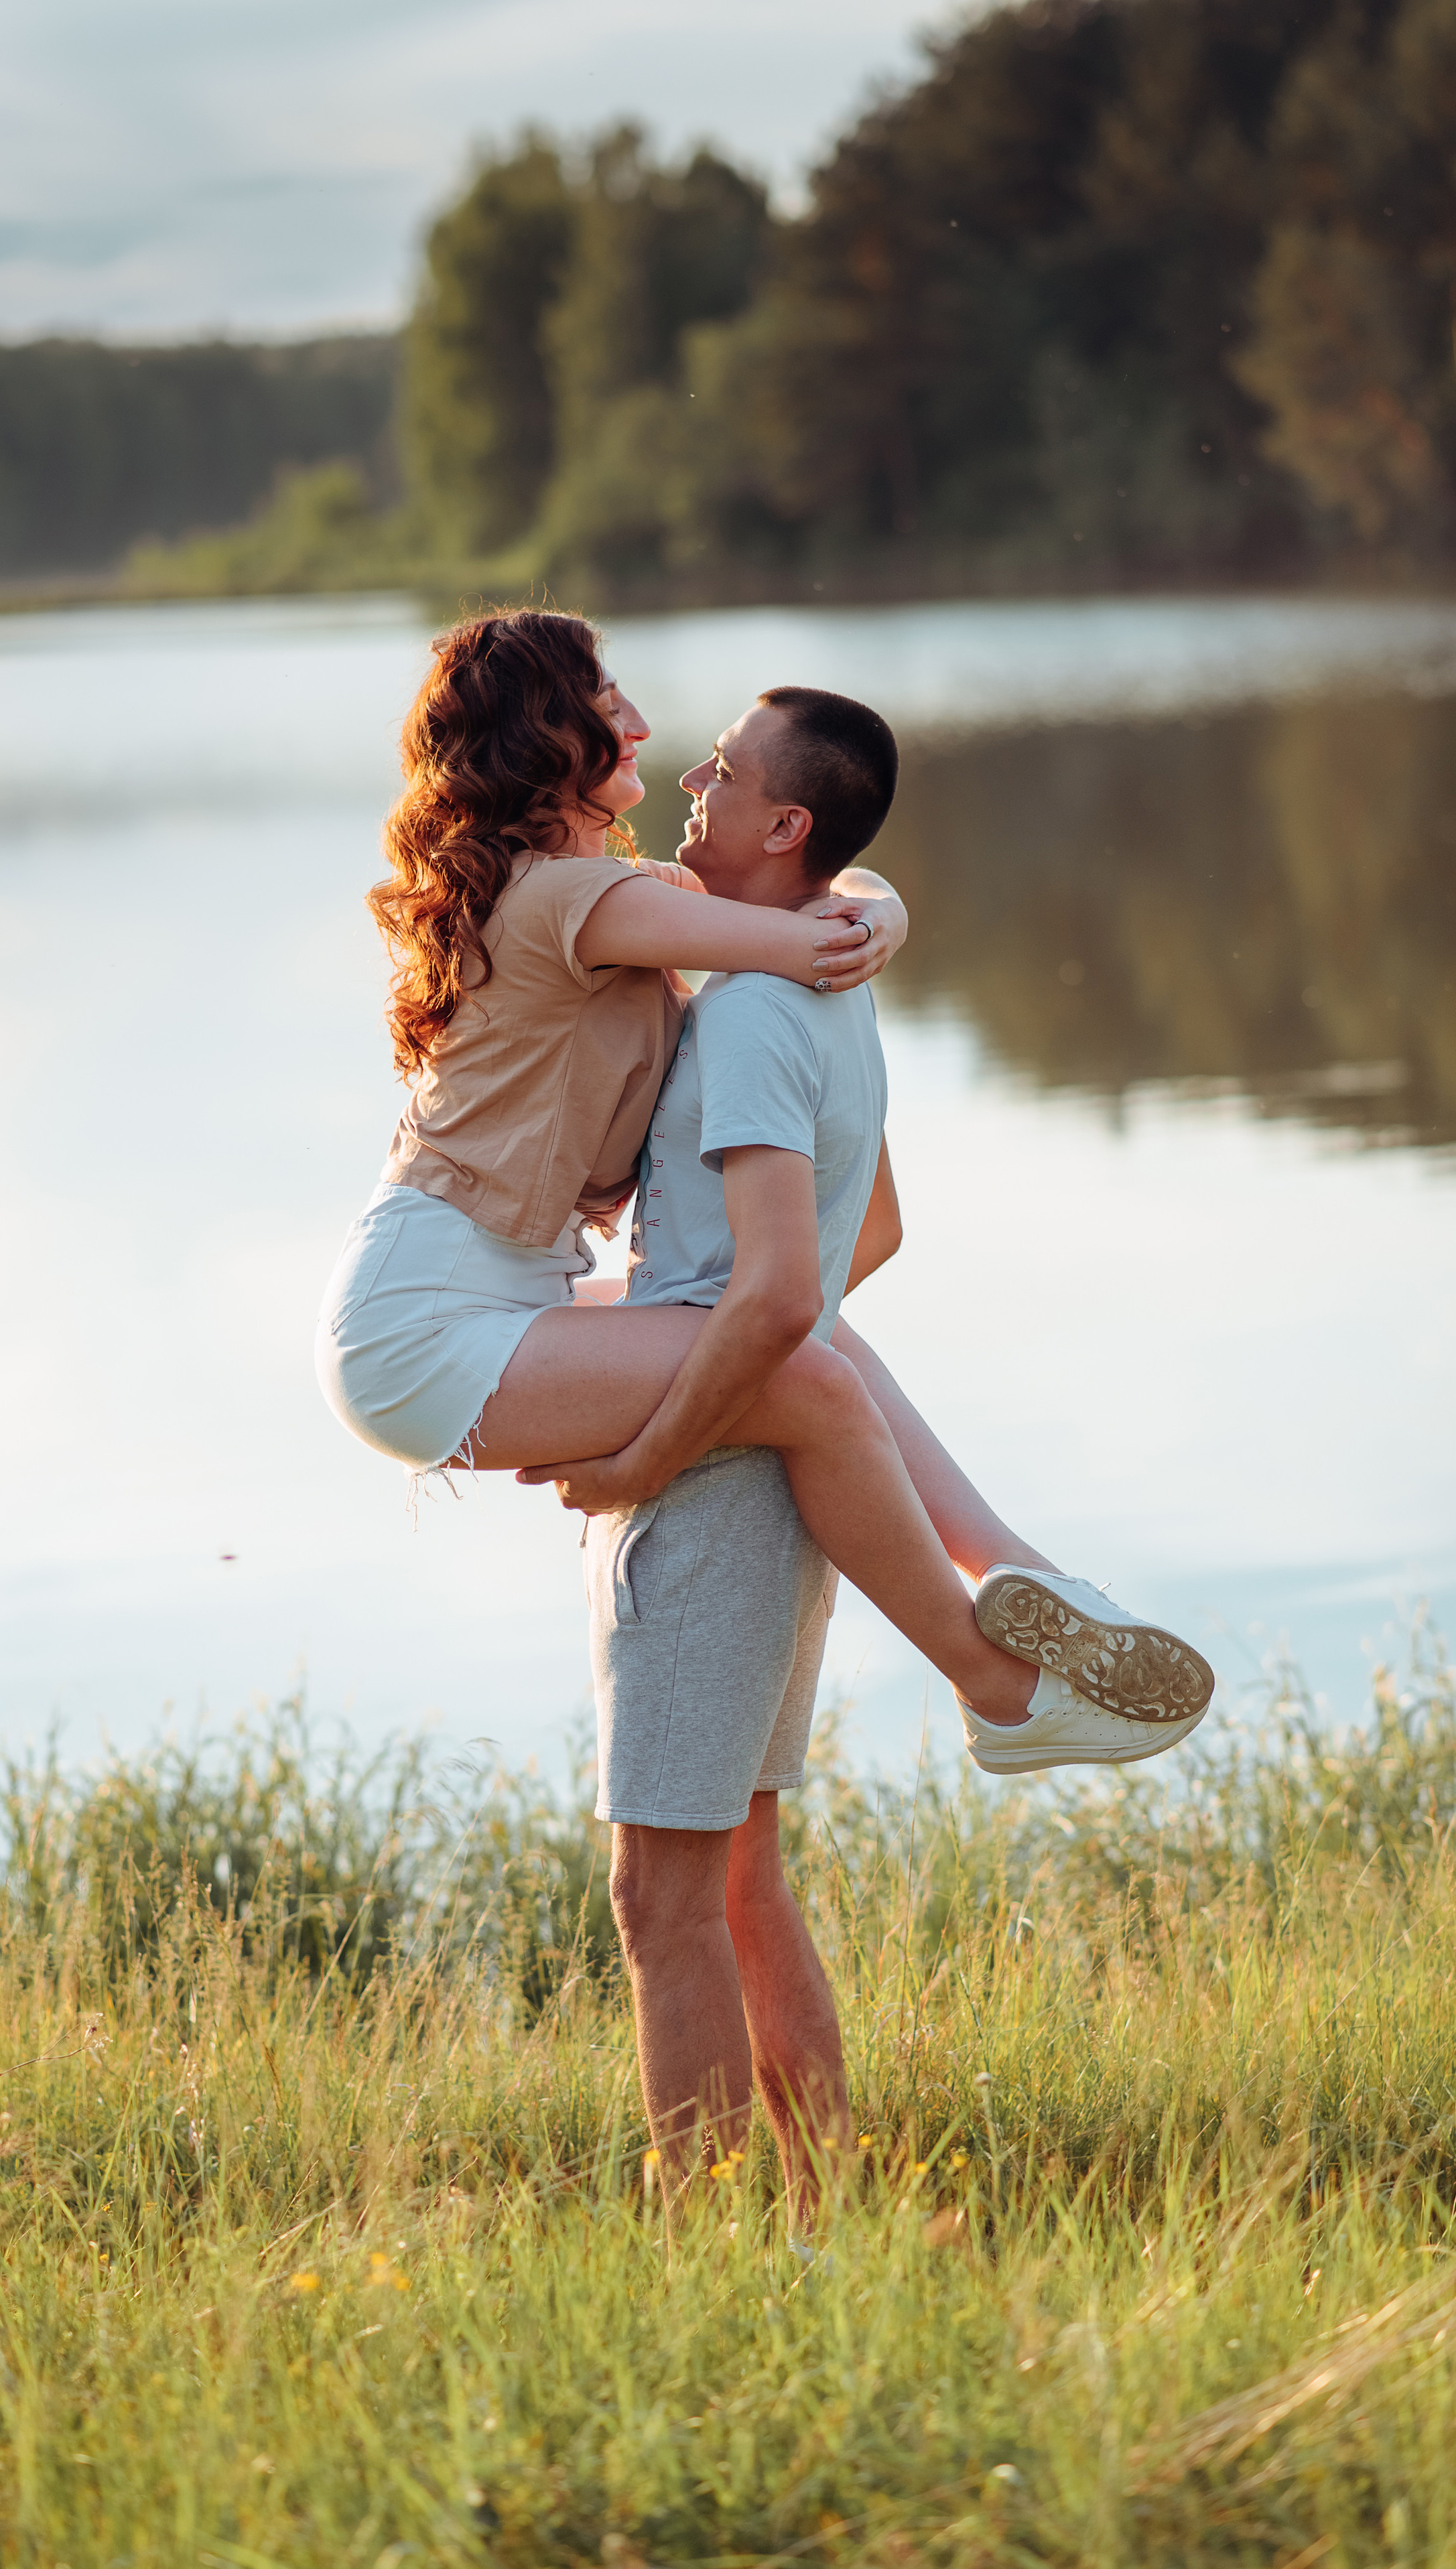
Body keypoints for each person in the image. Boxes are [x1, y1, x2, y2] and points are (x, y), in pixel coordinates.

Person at [316, 607, 1215, 1744]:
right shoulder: (568, 900)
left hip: (497, 1293)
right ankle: (1001, 1693)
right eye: (608, 702)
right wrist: (877, 918)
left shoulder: (614, 900)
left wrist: (872, 904)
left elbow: (819, 899)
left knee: (824, 1340)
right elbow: (808, 933)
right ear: (546, 732)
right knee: (807, 1375)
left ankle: (1024, 1575)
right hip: (420, 1325)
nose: (642, 725)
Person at [582, 683, 1209, 2223]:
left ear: (783, 824)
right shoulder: (824, 978)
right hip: (790, 1478)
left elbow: (777, 1291)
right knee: (740, 1882)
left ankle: (704, 2261)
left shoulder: (745, 1011)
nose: (692, 779)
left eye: (724, 772)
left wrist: (649, 1439)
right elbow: (876, 1229)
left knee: (659, 1902)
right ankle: (817, 2222)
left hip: (710, 1485)